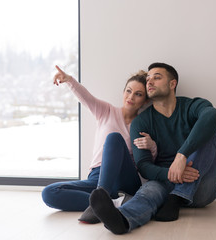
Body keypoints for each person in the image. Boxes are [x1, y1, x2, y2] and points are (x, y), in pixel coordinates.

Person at [89, 62, 216, 234]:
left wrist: (182, 156)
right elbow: (143, 166)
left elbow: (213, 116)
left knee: (210, 132)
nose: (149, 82)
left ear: (172, 84)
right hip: (164, 183)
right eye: (148, 79)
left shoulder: (191, 106)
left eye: (157, 78)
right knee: (147, 193)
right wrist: (170, 173)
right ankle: (122, 220)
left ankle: (178, 197)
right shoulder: (141, 121)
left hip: (200, 184)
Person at [41, 65, 157, 223]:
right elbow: (86, 98)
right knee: (49, 193)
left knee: (114, 138)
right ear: (123, 92)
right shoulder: (106, 111)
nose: (131, 97)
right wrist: (69, 80)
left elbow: (148, 163)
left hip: (125, 179)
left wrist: (152, 146)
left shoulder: (143, 125)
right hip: (97, 176)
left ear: (145, 100)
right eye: (128, 91)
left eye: (138, 94)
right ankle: (112, 203)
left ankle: (102, 199)